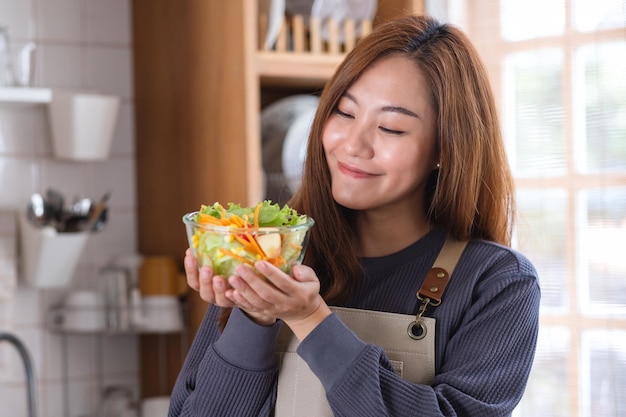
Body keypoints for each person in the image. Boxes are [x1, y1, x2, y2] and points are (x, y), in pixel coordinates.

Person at [169, 14, 540, 417]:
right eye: (344, 113)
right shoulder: (269, 255)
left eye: (392, 128)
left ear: (445, 149)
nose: (353, 145)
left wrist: (309, 317)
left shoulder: (497, 283)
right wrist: (254, 316)